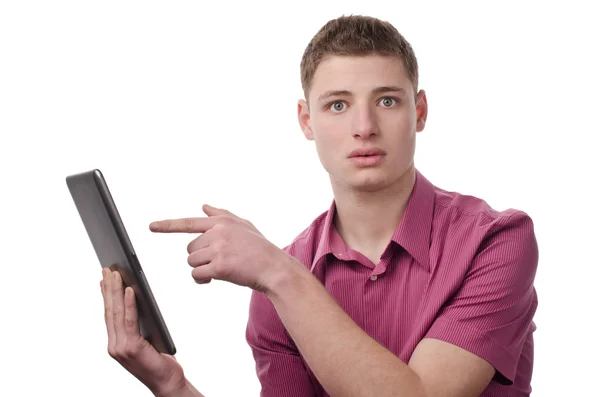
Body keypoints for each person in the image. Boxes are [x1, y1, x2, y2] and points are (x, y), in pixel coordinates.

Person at [99, 14, 539, 397]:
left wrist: (279, 274)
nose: (364, 127)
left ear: (419, 111)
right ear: (307, 121)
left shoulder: (495, 241)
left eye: (387, 100)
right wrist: (172, 387)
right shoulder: (279, 286)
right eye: (338, 105)